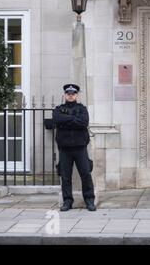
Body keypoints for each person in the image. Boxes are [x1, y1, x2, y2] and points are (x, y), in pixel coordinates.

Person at [53, 84, 96, 212]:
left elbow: (84, 122)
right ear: (65, 95)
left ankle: (89, 201)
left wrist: (66, 121)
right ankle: (67, 201)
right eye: (68, 94)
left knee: (86, 174)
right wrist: (73, 119)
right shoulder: (58, 109)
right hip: (65, 148)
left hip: (80, 147)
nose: (70, 96)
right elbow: (57, 120)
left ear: (76, 95)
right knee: (65, 177)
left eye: (73, 94)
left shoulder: (82, 109)